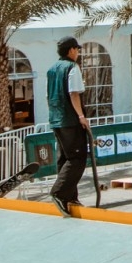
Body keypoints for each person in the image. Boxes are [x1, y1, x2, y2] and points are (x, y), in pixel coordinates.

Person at [47, 36, 95, 217]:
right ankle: (59, 193)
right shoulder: (72, 67)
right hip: (70, 119)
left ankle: (70, 197)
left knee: (65, 158)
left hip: (56, 119)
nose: (78, 53)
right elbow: (74, 93)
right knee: (77, 158)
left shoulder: (52, 69)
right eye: (77, 49)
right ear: (71, 50)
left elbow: (48, 95)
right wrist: (81, 117)